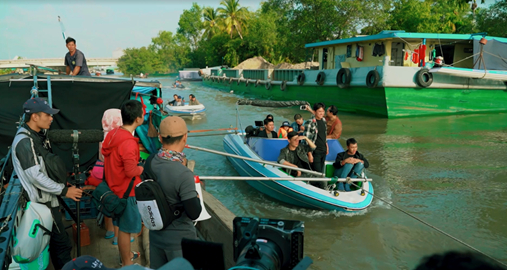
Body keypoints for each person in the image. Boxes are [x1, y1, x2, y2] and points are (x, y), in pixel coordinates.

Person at [11, 97, 83, 270]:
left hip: (47, 202)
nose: (51, 118)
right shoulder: (25, 141)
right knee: (62, 246)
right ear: (34, 117)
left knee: (56, 244)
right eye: (47, 115)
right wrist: (64, 191)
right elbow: (35, 176)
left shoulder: (35, 136)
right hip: (41, 206)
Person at [146, 116, 202, 268]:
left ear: (160, 138)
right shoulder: (183, 173)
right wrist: (196, 197)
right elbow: (194, 213)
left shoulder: (150, 161)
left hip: (156, 237)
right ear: (185, 137)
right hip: (180, 243)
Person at [102, 100, 144, 266]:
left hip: (114, 188)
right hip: (127, 192)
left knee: (121, 228)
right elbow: (131, 171)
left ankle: (126, 256)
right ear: (138, 119)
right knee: (126, 231)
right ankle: (127, 263)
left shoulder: (113, 134)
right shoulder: (128, 142)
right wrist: (141, 168)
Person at [302, 103, 328, 188]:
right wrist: (309, 154)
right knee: (317, 173)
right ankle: (322, 189)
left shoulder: (323, 120)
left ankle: (318, 187)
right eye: (319, 111)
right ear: (314, 112)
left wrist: (326, 145)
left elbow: (324, 135)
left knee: (320, 171)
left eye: (323, 111)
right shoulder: (310, 123)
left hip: (323, 150)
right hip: (315, 152)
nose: (321, 113)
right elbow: (306, 140)